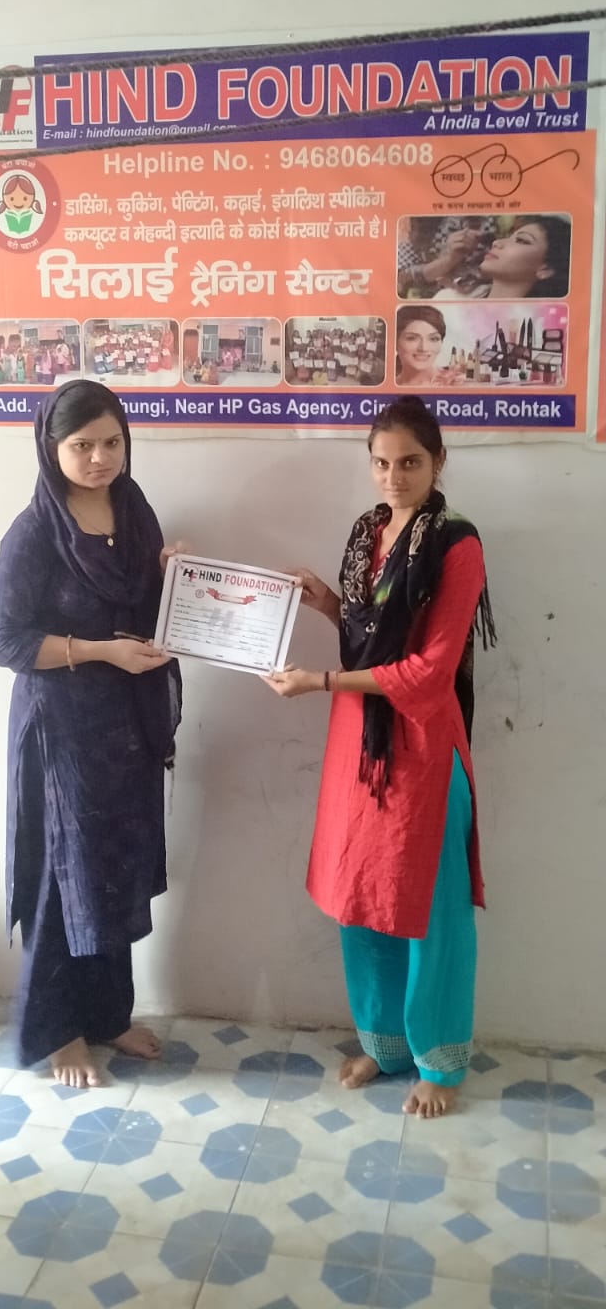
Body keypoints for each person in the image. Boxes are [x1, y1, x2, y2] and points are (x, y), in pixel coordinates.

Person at [265, 397, 495, 1119]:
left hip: (421, 742)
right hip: (360, 741)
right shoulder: (369, 533)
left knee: (429, 905)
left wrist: (321, 682)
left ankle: (438, 1060)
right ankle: (385, 1043)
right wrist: (328, 605)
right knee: (360, 896)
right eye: (381, 463)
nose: (394, 477)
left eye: (410, 462)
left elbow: (429, 669)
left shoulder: (457, 545)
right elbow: (375, 635)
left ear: (438, 462)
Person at [0, 381, 183, 1090]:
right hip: (60, 733)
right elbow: (5, 642)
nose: (100, 458)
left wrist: (173, 576)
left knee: (113, 870)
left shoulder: (134, 510)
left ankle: (106, 1015)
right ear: (51, 447)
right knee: (60, 874)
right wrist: (101, 652)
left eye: (112, 442)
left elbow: (148, 613)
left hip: (126, 724)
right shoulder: (34, 532)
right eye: (82, 445)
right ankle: (57, 1031)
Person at [407, 216, 570, 302]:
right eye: (509, 236)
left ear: (545, 269)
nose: (497, 242)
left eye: (521, 240)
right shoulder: (448, 299)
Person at [395, 306, 456, 387]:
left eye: (433, 339)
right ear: (395, 342)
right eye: (412, 338)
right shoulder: (388, 385)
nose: (423, 348)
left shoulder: (455, 384)